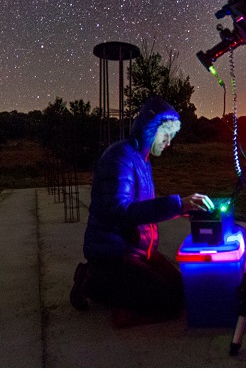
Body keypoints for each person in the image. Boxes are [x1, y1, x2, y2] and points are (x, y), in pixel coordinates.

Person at [69, 96, 213, 325]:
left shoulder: (142, 160)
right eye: (165, 135)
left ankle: (116, 288)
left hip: (136, 249)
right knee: (167, 302)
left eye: (171, 137)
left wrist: (183, 209)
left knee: (181, 290)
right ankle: (93, 280)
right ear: (150, 129)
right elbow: (117, 211)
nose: (168, 143)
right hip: (113, 253)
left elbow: (143, 209)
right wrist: (176, 204)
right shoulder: (119, 158)